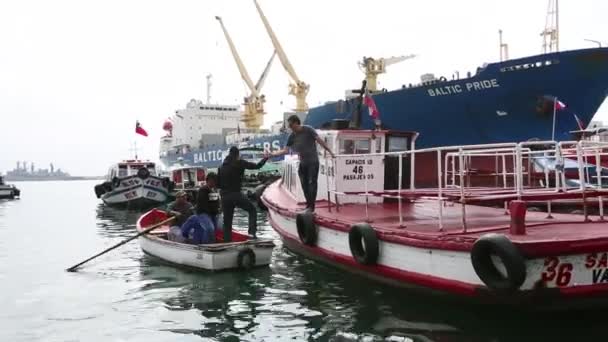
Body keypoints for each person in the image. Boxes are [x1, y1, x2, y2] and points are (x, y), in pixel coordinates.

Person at [271, 114, 335, 211]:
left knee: (312, 183)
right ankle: (308, 205)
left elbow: (319, 140)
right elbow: (285, 150)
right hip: (303, 162)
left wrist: (330, 151)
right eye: (289, 126)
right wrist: (272, 154)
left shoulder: (308, 130)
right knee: (304, 184)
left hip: (313, 162)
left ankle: (311, 207)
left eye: (291, 125)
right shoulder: (292, 136)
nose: (290, 128)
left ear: (297, 123)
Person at [217, 146, 268, 241]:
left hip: (224, 196)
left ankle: (227, 242)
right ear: (237, 155)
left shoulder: (221, 167)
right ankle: (252, 234)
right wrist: (265, 158)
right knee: (252, 210)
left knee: (227, 222)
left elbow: (218, 184)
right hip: (235, 194)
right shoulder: (239, 163)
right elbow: (257, 166)